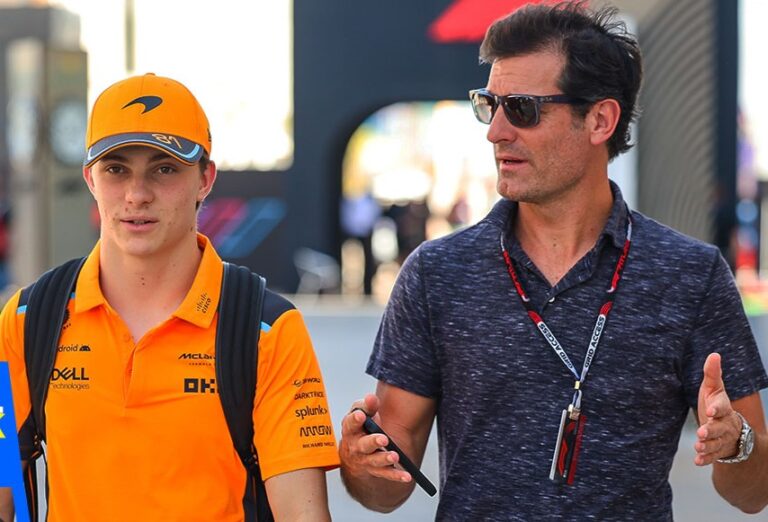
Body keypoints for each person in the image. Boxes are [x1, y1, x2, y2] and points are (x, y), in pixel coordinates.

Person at [339, 2, 768, 520]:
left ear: (600, 120)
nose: (496, 131)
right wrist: (361, 464)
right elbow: (386, 488)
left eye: (522, 108)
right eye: (489, 105)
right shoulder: (436, 274)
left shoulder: (690, 275)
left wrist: (737, 443)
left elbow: (753, 492)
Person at [0, 73, 339, 521]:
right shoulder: (29, 318)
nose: (137, 195)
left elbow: (302, 514)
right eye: (116, 169)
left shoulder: (267, 329)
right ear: (90, 179)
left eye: (164, 169)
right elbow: (4, 488)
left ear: (205, 179)